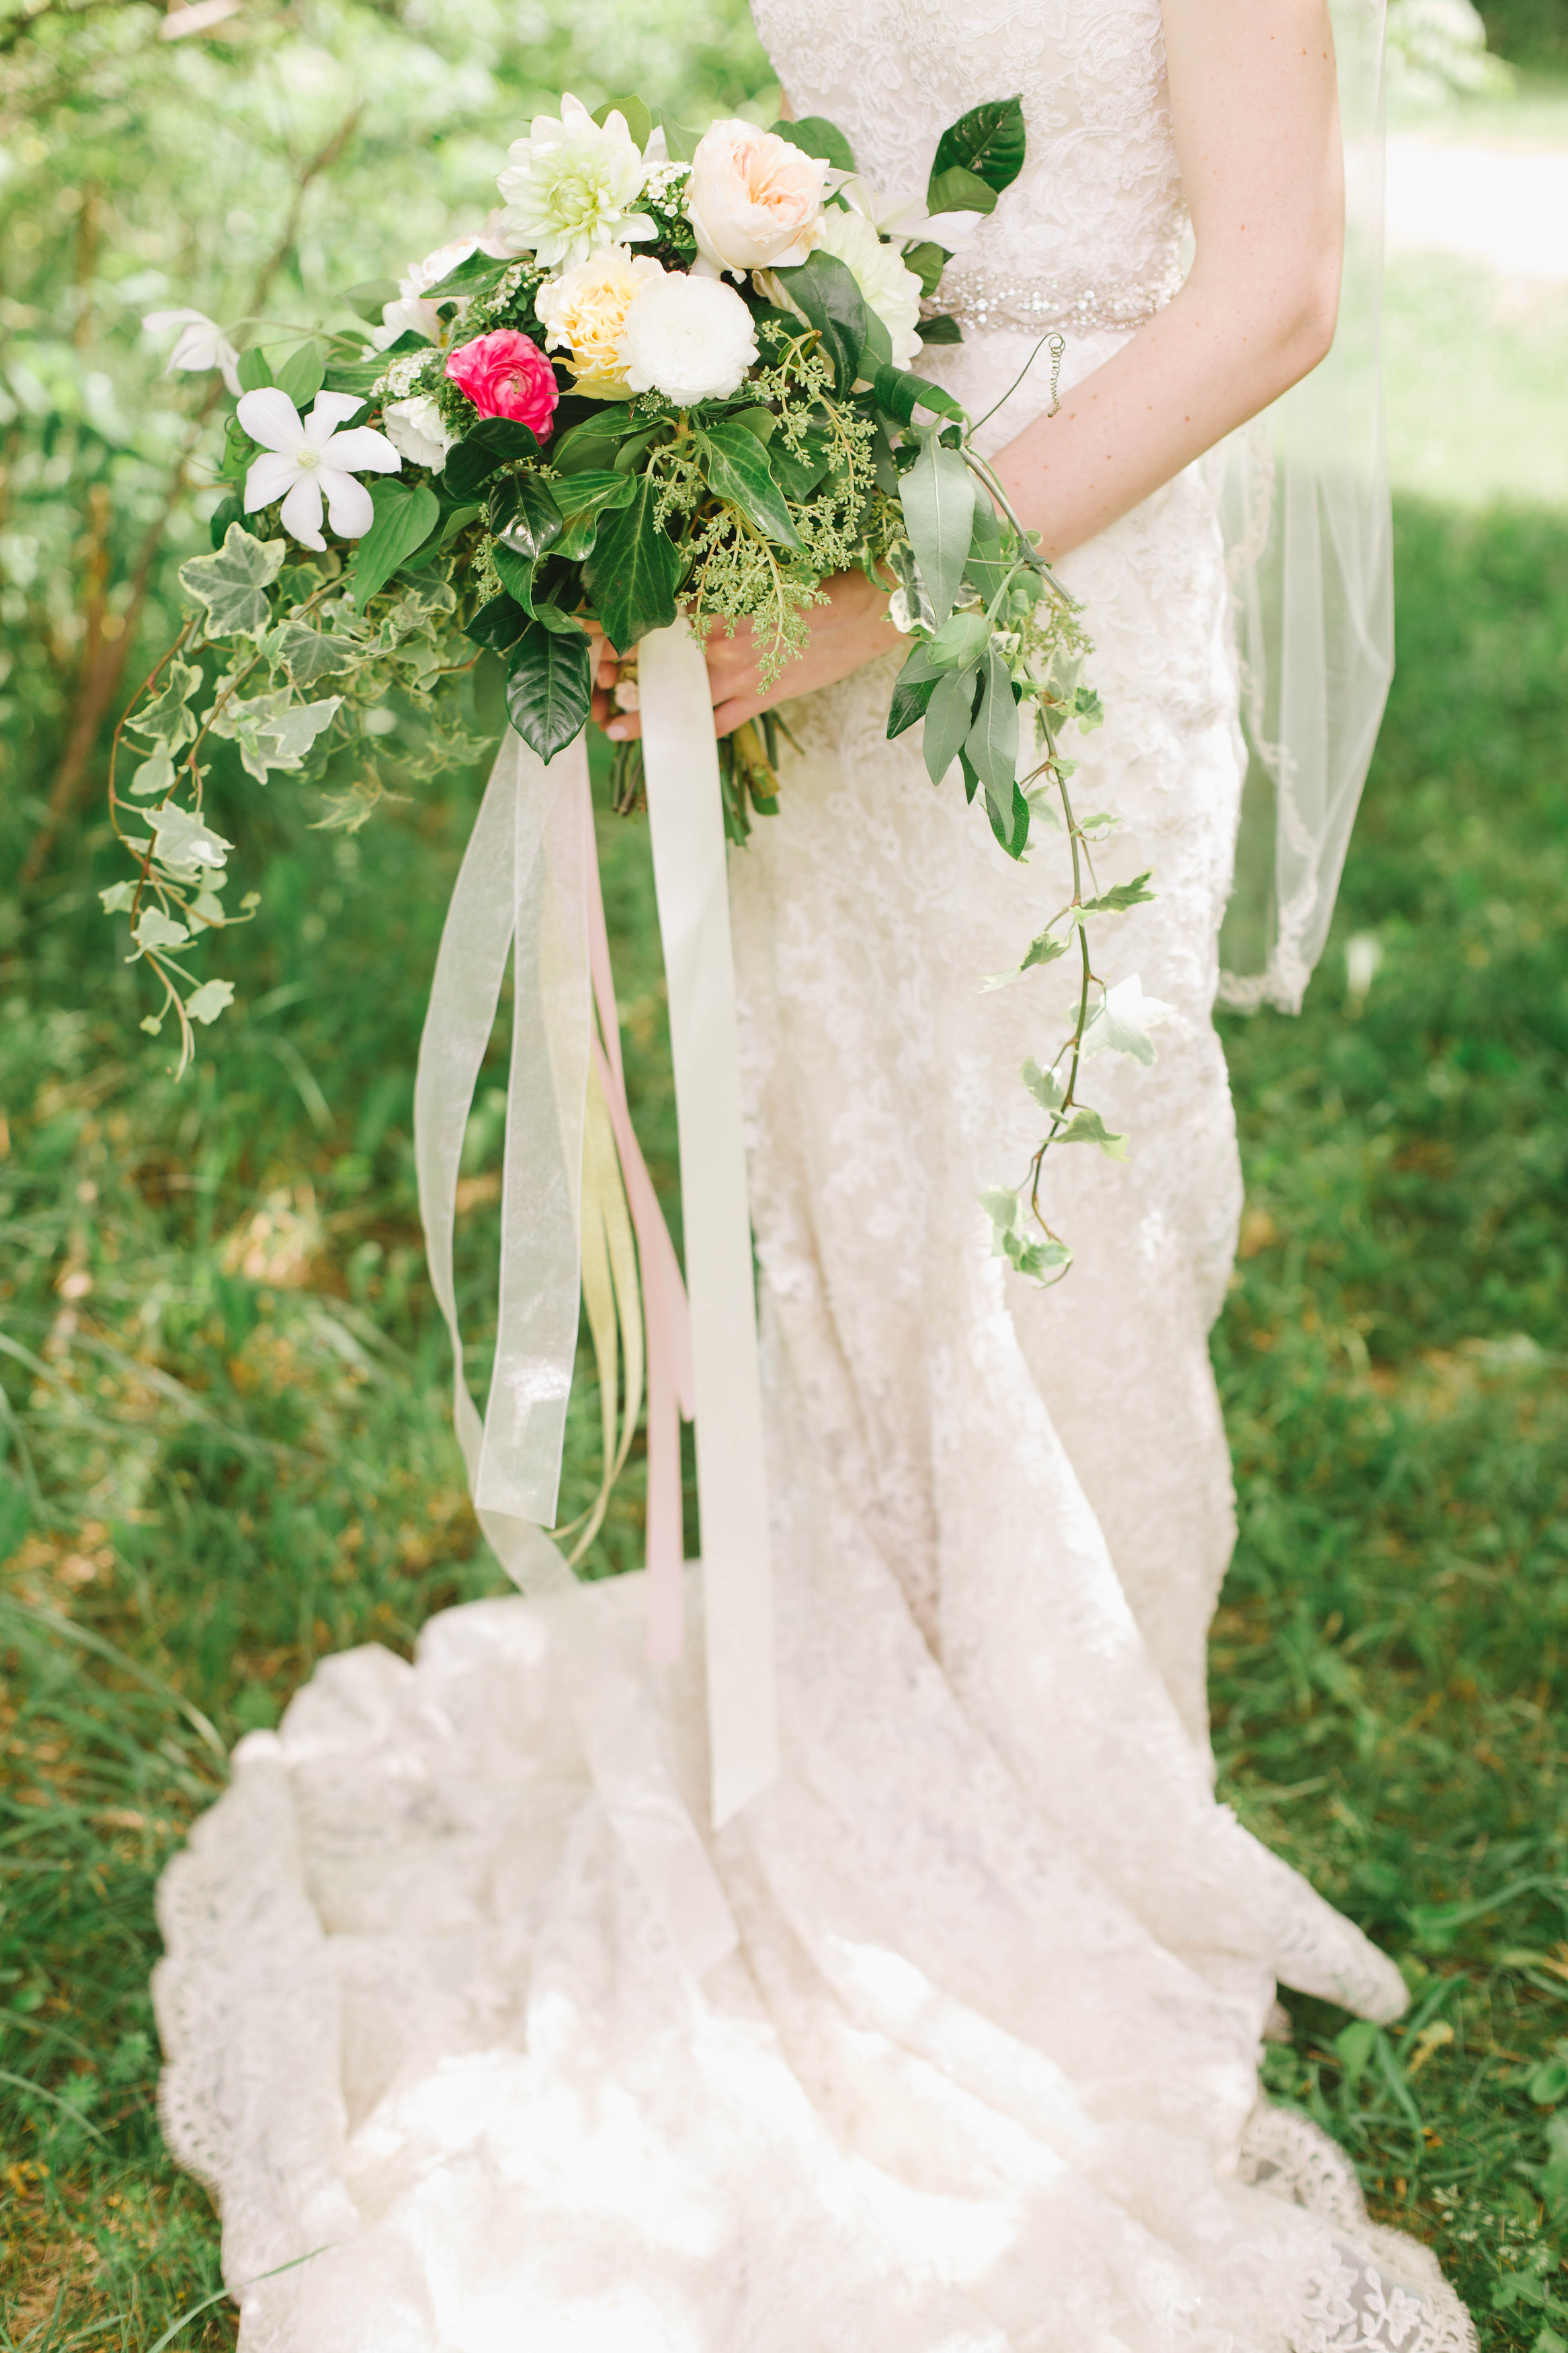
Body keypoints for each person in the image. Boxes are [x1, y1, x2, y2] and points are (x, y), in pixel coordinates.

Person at [153, 2, 1477, 2345]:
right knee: (841, 1174)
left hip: (1053, 594)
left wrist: (875, 606)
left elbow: (1270, 290)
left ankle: (1075, 1810)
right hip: (805, 541)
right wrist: (660, 404)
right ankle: (859, 1743)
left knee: (1066, 1192)